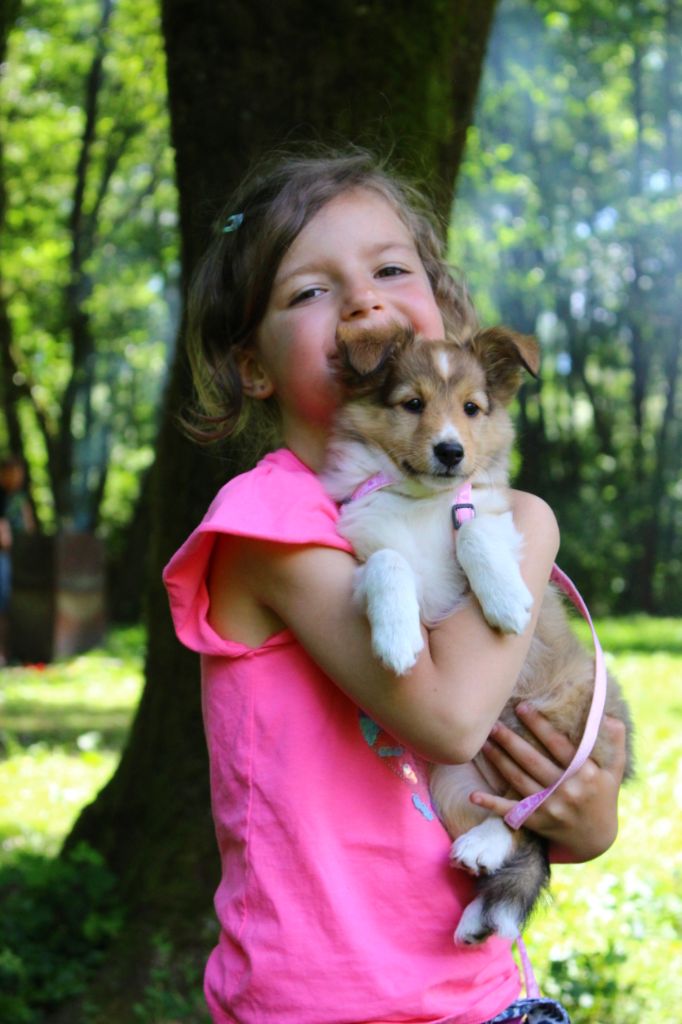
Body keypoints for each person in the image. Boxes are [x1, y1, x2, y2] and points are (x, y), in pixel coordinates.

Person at [163, 150, 627, 1024]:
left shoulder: (450, 504)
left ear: (441, 307)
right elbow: (448, 718)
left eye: (389, 270)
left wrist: (587, 817)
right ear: (252, 366)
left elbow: (513, 758)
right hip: (322, 1002)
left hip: (482, 993)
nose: (363, 303)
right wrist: (531, 523)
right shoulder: (265, 523)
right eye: (310, 291)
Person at [0, 454, 35, 664]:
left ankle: (10, 651)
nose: (16, 478)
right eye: (12, 473)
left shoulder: (20, 497)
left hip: (19, 557)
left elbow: (29, 526)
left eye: (19, 473)